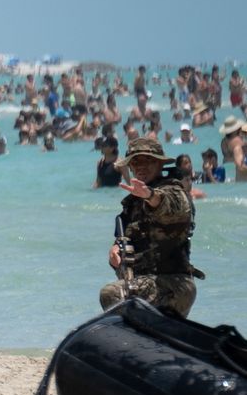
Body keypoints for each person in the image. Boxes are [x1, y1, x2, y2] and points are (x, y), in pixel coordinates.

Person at [99, 137, 201, 318]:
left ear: (160, 164)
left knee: (111, 293)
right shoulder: (132, 204)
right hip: (143, 285)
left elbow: (172, 206)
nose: (141, 166)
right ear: (130, 167)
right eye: (136, 162)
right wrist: (115, 249)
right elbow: (127, 238)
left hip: (175, 285)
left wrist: (150, 196)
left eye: (148, 161)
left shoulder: (173, 191)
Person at [218, 116, 246, 182]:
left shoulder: (224, 141)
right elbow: (241, 166)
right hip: (242, 178)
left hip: (228, 172)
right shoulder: (238, 143)